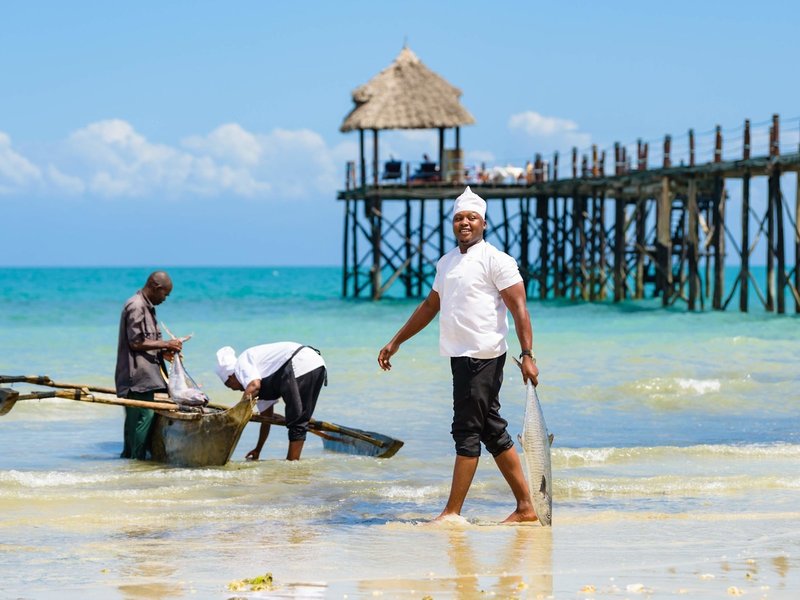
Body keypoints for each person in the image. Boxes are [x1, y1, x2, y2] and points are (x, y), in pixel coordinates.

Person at [377, 186, 540, 523]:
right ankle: (525, 507)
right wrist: (397, 341)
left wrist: (527, 354)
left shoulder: (497, 260)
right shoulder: (447, 262)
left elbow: (519, 309)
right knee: (491, 430)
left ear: (484, 223)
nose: (465, 223)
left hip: (484, 356)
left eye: (472, 218)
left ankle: (452, 513)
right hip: (460, 357)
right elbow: (430, 305)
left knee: (466, 431)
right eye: (459, 218)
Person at [215, 343, 327, 461]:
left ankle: (292, 465)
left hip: (299, 362)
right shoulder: (257, 377)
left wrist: (237, 413)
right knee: (300, 421)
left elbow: (254, 386)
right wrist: (258, 449)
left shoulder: (242, 364)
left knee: (297, 422)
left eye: (230, 386)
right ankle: (293, 464)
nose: (234, 389)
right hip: (317, 365)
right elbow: (266, 418)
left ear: (231, 377)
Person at [115, 271, 183, 460]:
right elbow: (135, 342)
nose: (165, 299)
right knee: (143, 417)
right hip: (136, 377)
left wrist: (163, 351)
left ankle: (129, 460)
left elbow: (147, 342)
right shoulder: (136, 306)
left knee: (136, 420)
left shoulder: (148, 307)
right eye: (165, 294)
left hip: (147, 375)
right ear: (156, 287)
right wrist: (166, 343)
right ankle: (136, 461)